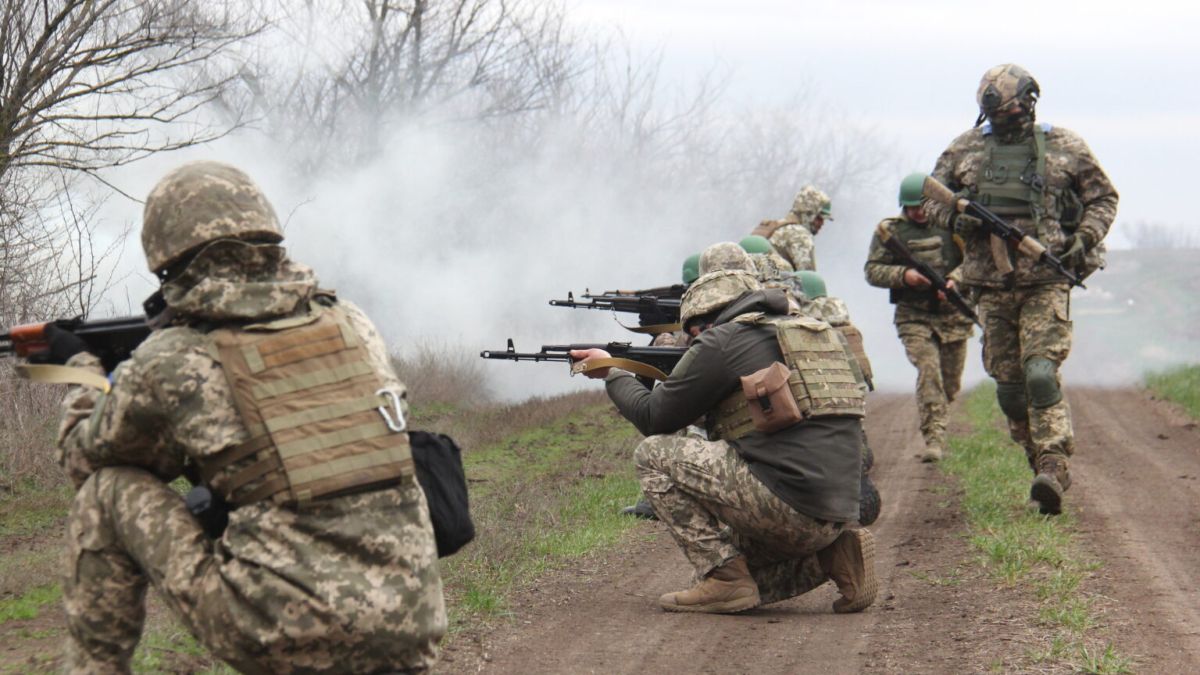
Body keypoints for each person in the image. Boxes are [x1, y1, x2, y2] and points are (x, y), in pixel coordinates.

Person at [43, 161, 446, 673]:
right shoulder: (352, 324)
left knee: (107, 490)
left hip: (281, 631)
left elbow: (82, 458)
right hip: (410, 621)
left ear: (168, 259)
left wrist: (81, 373)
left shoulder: (176, 357)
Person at [572, 264, 878, 615]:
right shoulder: (817, 332)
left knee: (653, 455)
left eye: (695, 330)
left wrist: (613, 371)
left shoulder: (727, 339)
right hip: (839, 512)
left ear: (711, 317)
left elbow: (654, 418)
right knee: (731, 576)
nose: (695, 339)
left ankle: (725, 577)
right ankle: (836, 556)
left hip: (788, 508)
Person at [924, 64, 1118, 514]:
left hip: (1046, 279)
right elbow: (929, 200)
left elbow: (1103, 198)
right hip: (989, 286)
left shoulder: (1065, 146)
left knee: (1040, 373)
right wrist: (957, 218)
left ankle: (1054, 461)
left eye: (1010, 110)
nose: (1004, 119)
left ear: (1029, 102)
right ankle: (1041, 468)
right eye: (996, 112)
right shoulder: (965, 148)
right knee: (1010, 391)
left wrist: (1084, 237)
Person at [865, 173, 975, 462]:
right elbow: (872, 270)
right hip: (913, 316)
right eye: (912, 207)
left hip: (953, 317)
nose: (919, 212)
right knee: (928, 369)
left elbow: (975, 260)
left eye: (923, 206)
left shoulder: (953, 227)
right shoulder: (890, 232)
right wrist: (904, 275)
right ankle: (934, 439)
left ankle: (937, 418)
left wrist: (954, 281)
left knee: (950, 385)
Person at [750, 185, 832, 271]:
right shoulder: (800, 235)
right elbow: (807, 276)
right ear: (809, 214)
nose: (822, 223)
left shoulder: (774, 227)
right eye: (819, 218)